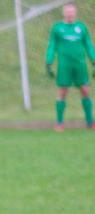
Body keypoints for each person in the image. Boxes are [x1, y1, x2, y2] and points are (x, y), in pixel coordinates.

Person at [46, 3, 95, 131]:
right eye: (67, 11)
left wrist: (94, 61)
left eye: (72, 11)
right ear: (64, 13)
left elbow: (88, 45)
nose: (70, 13)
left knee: (85, 90)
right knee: (63, 91)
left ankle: (90, 122)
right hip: (64, 65)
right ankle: (59, 122)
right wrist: (48, 62)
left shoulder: (81, 28)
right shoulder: (57, 28)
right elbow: (52, 45)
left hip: (80, 64)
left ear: (75, 13)